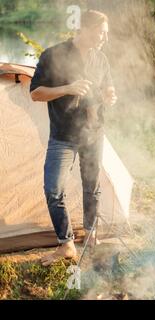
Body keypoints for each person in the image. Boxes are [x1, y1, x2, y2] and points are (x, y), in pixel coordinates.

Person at [30, 10, 117, 266]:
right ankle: (66, 244)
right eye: (101, 33)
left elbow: (107, 86)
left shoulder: (100, 59)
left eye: (106, 33)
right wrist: (67, 89)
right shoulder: (53, 55)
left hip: (93, 134)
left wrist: (110, 94)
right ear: (85, 29)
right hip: (63, 136)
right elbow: (35, 93)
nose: (104, 38)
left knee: (93, 189)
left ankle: (91, 238)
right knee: (53, 190)